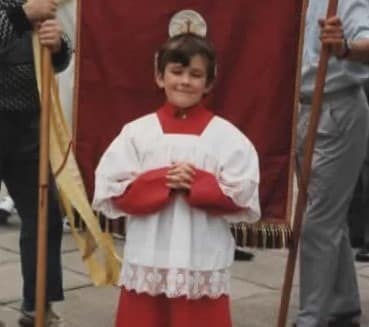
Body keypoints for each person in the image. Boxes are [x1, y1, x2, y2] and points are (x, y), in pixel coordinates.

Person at [92, 32, 260, 327]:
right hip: (149, 254)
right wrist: (162, 181)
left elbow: (242, 197)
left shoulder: (228, 138)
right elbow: (112, 190)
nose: (185, 81)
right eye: (177, 72)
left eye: (195, 74)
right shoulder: (137, 133)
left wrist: (198, 184)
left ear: (208, 83)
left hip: (201, 255)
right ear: (160, 77)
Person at [296, 1, 369, 326]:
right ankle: (342, 306)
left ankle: (312, 317)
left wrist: (343, 47)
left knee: (318, 221)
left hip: (335, 107)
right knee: (328, 216)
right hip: (302, 107)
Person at [0, 0, 71, 326]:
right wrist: (21, 16)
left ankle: (37, 304)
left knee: (44, 214)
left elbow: (56, 61)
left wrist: (57, 46)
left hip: (28, 125)